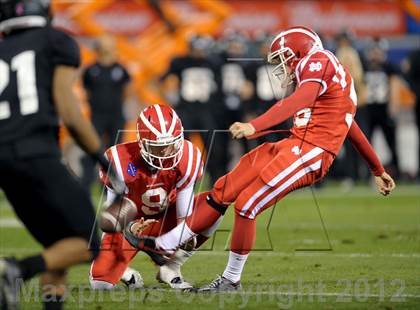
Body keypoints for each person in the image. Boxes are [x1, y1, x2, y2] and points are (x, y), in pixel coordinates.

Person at [123, 26, 396, 291]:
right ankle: (165, 247)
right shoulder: (329, 72)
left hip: (311, 151)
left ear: (299, 52)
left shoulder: (319, 60)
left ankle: (231, 279)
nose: (283, 66)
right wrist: (377, 168)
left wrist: (256, 125)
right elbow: (349, 124)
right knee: (223, 189)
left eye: (284, 58)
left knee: (247, 204)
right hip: (293, 143)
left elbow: (299, 100)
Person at [0, 1, 122, 309]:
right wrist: (103, 159)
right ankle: (15, 271)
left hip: (5, 159)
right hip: (35, 152)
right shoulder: (55, 41)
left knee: (58, 248)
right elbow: (69, 111)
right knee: (88, 243)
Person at [89, 104, 220, 290]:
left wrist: (186, 234)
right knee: (99, 284)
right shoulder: (118, 160)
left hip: (167, 219)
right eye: (159, 147)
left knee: (214, 205)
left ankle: (171, 268)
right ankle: (125, 271)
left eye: (171, 144)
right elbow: (113, 219)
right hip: (132, 225)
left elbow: (185, 213)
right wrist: (130, 227)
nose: (167, 152)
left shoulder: (187, 157)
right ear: (142, 142)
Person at [160, 34, 220, 182]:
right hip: (186, 110)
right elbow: (162, 79)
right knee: (183, 148)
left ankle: (215, 179)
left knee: (212, 146)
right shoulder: (181, 62)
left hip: (205, 110)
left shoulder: (211, 63)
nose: (199, 52)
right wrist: (169, 97)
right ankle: (183, 179)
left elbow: (219, 86)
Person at [81, 34, 132, 187]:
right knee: (92, 147)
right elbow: (86, 91)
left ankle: (113, 183)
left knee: (115, 151)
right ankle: (86, 182)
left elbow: (127, 90)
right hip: (97, 116)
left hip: (116, 115)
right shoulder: (91, 70)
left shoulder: (120, 69)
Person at [362, 38, 401, 177]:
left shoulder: (389, 67)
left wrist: (393, 105)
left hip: (385, 108)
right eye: (373, 51)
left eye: (377, 51)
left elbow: (395, 85)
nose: (375, 54)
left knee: (391, 142)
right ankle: (366, 173)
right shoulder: (365, 66)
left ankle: (397, 171)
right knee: (365, 143)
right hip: (369, 108)